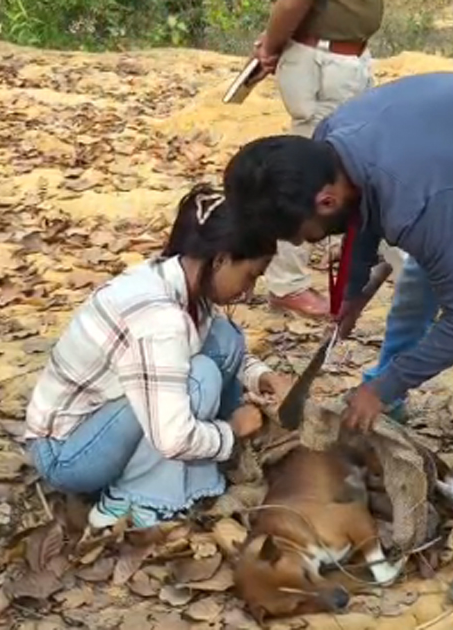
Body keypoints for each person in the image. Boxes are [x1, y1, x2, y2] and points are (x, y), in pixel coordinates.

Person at [223, 72, 453, 610]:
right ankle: (387, 413)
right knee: (413, 294)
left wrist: (384, 382)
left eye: (301, 234)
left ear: (325, 198)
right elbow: (361, 220)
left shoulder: (413, 197)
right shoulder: (330, 147)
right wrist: (349, 296)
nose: (303, 243)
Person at [24, 184, 292, 529]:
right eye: (250, 275)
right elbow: (173, 436)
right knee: (199, 378)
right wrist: (232, 430)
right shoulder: (160, 319)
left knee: (225, 340)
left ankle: (196, 465)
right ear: (222, 259)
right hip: (67, 455)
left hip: (102, 425)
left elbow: (217, 347)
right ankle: (131, 499)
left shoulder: (180, 279)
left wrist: (263, 376)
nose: (250, 289)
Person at [251, 0, 406, 319]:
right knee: (313, 172)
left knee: (353, 162)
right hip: (324, 62)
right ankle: (286, 284)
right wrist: (272, 43)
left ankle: (364, 248)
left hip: (346, 58)